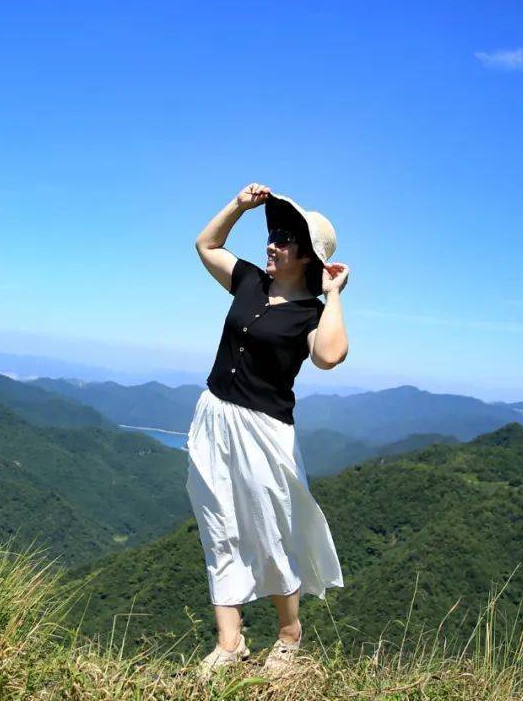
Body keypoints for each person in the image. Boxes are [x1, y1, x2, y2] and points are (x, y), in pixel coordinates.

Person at [188, 182, 349, 681]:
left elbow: (329, 356)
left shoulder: (311, 315)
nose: (272, 243)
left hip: (263, 431)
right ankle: (229, 642)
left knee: (270, 529)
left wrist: (334, 293)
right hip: (213, 415)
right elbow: (206, 246)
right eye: (273, 233)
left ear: (306, 256)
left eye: (283, 237)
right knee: (219, 525)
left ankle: (288, 633)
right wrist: (239, 205)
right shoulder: (251, 282)